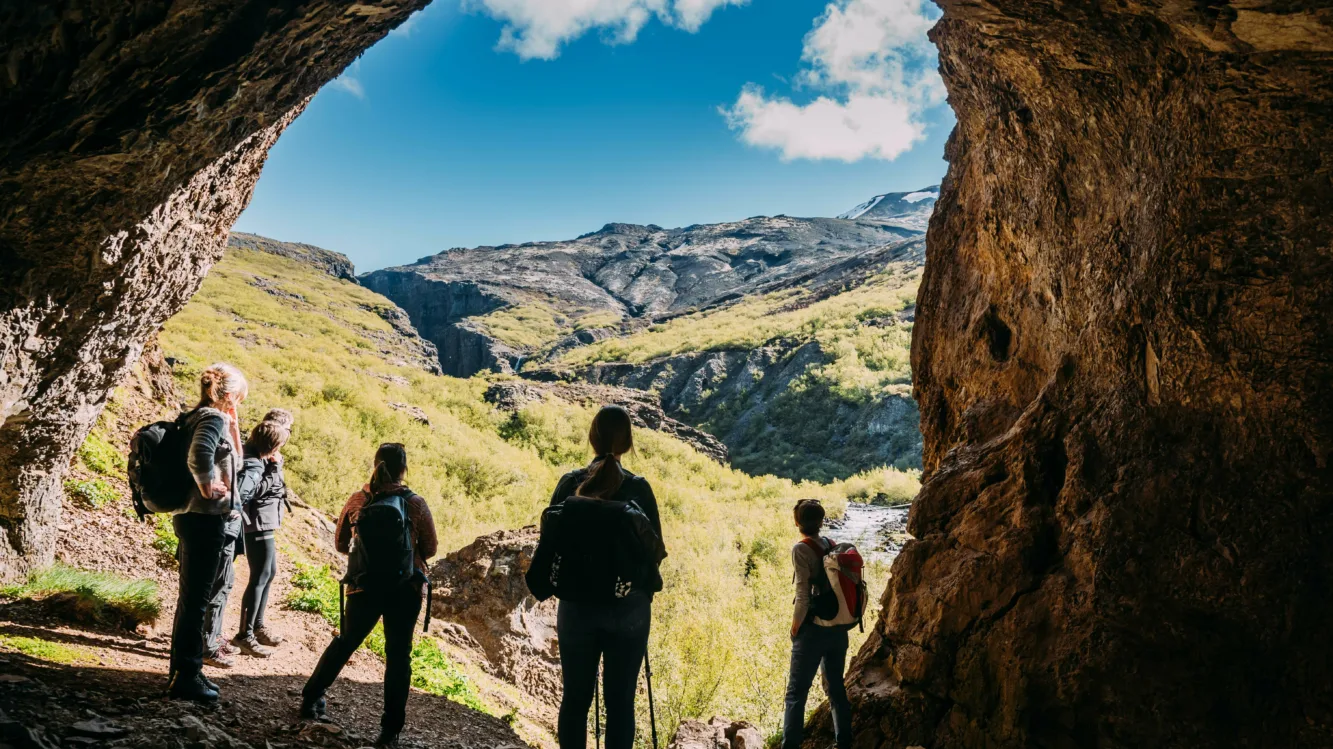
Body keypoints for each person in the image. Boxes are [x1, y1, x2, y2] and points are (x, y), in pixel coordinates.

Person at [528, 405, 667, 749]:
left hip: (576, 607)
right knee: (620, 703)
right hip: (629, 610)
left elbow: (551, 540)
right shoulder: (638, 489)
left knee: (575, 699)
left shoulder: (570, 484)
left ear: (592, 438)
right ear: (628, 442)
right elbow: (654, 553)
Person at [301, 443, 437, 749]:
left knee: (346, 641)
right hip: (406, 589)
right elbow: (430, 548)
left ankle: (311, 698)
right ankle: (389, 731)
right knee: (398, 656)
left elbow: (339, 543)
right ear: (404, 469)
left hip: (364, 585)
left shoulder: (358, 499)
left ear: (375, 464)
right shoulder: (415, 503)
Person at [167, 362, 248, 703]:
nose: (241, 404)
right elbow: (200, 455)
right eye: (240, 398)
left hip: (191, 518)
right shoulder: (213, 419)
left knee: (191, 599)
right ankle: (187, 676)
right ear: (229, 395)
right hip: (204, 519)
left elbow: (237, 461)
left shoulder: (198, 415)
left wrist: (235, 427)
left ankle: (183, 671)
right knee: (197, 601)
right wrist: (207, 486)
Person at [783, 499, 853, 749]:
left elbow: (803, 595)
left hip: (813, 630)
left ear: (797, 522)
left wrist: (795, 627)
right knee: (836, 689)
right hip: (838, 629)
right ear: (821, 522)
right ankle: (844, 743)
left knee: (795, 695)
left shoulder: (801, 549)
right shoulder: (831, 545)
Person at [232, 415, 292, 656]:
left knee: (269, 573)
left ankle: (256, 626)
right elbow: (255, 491)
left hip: (265, 520)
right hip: (256, 522)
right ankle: (244, 634)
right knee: (260, 575)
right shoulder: (257, 461)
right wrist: (275, 467)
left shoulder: (260, 455)